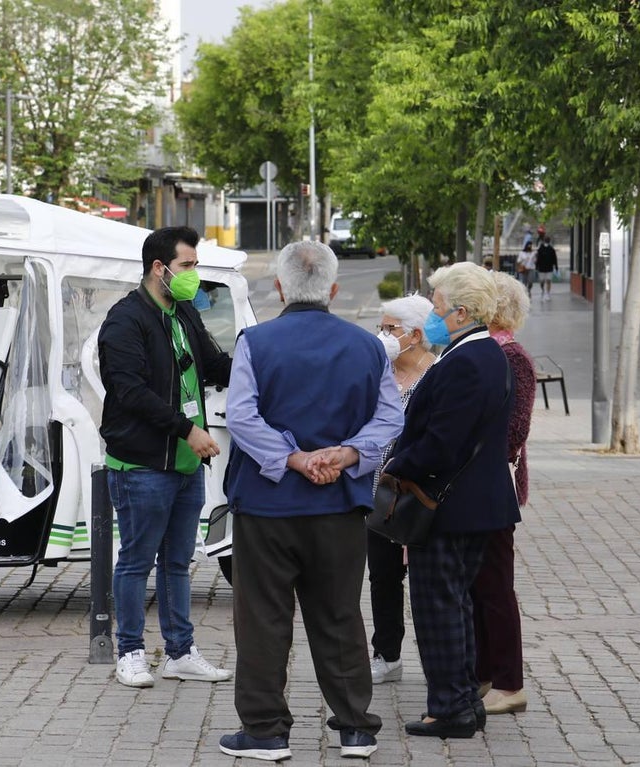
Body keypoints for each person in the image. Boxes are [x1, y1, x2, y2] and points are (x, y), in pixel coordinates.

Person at [217, 240, 404, 761]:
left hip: (267, 504)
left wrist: (293, 459)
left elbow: (242, 416)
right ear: (334, 289)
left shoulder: (255, 342)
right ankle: (355, 729)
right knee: (340, 613)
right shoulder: (368, 347)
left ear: (278, 287)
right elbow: (391, 417)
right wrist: (346, 455)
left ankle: (265, 731)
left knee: (262, 617)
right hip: (339, 506)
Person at [382, 262, 520, 740]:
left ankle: (450, 709)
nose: (433, 313)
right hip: (468, 504)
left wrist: (395, 466)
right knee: (455, 605)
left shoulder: (468, 359)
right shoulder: (471, 353)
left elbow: (443, 443)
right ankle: (461, 700)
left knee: (439, 608)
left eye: (437, 306)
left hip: (450, 507)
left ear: (461, 312)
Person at [97, 226, 233, 689]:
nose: (194, 275)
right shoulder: (125, 321)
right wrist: (187, 429)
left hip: (185, 464)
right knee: (136, 560)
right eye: (189, 266)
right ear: (160, 268)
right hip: (142, 465)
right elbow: (130, 392)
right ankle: (131, 652)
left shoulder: (183, 312)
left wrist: (265, 358)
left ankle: (180, 651)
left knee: (177, 561)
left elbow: (213, 366)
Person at [472, 272, 534, 716]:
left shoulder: (512, 358)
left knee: (495, 585)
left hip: (492, 488)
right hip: (476, 487)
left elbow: (514, 431)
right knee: (478, 584)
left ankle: (510, 682)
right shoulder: (486, 352)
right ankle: (485, 672)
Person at [367, 294, 436, 686]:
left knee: (426, 578)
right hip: (377, 492)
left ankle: (436, 655)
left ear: (416, 335)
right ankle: (387, 654)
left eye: (390, 328)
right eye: (382, 326)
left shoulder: (436, 373)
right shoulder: (379, 372)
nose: (383, 334)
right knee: (382, 577)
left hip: (418, 493)